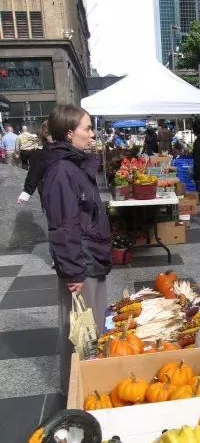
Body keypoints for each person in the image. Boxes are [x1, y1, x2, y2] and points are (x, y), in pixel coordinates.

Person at [40, 104, 112, 393]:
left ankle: (89, 388)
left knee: (91, 331)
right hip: (81, 266)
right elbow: (62, 226)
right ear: (70, 133)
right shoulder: (60, 172)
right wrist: (73, 272)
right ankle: (79, 395)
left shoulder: (74, 166)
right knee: (80, 335)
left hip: (91, 259)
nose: (92, 134)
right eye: (87, 128)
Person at [17, 121, 51, 203]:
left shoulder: (66, 149)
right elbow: (34, 172)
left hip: (26, 152)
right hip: (48, 190)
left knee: (26, 164)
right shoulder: (41, 154)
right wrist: (26, 192)